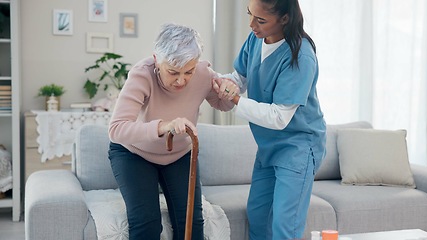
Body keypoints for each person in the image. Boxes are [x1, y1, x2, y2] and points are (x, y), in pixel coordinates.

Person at [108, 23, 239, 240]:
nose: (181, 80)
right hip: (134, 154)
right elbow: (116, 129)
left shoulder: (203, 73)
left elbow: (222, 104)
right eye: (173, 72)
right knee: (147, 224)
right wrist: (163, 126)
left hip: (179, 155)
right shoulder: (142, 74)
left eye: (188, 72)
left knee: (191, 224)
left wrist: (228, 92)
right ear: (156, 60)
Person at [215, 0, 327, 239]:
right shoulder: (256, 38)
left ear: (284, 19)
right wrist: (218, 82)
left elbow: (279, 117)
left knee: (284, 227)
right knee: (257, 215)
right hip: (268, 146)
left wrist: (235, 100)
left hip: (297, 147)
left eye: (261, 20)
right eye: (250, 15)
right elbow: (240, 77)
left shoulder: (301, 55)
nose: (252, 24)